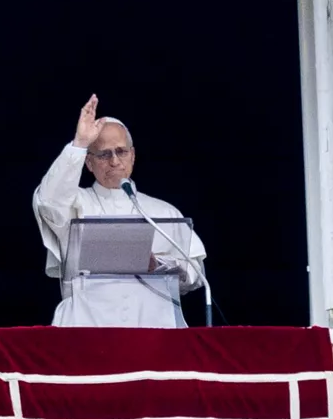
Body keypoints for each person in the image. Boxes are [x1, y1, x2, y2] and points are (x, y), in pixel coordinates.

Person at [32, 94, 206, 328]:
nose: (114, 161)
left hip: (154, 331)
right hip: (86, 330)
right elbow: (48, 201)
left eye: (121, 151)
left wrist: (160, 265)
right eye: (103, 154)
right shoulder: (75, 204)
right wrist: (79, 144)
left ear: (133, 156)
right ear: (89, 163)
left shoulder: (164, 211)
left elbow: (195, 274)